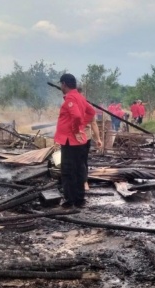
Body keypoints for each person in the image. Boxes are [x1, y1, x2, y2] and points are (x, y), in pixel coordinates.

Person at [54, 73, 90, 208]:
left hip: (70, 140)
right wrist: (81, 127)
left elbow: (76, 116)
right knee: (79, 168)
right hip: (80, 141)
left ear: (64, 84)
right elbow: (91, 112)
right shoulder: (80, 97)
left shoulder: (70, 98)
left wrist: (76, 130)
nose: (60, 87)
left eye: (61, 84)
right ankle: (80, 199)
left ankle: (70, 201)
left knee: (68, 170)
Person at [77, 85, 102, 191]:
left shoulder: (83, 106)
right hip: (81, 138)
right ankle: (82, 182)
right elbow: (94, 124)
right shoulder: (85, 105)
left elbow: (93, 123)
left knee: (80, 161)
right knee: (81, 161)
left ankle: (84, 182)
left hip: (82, 138)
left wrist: (98, 139)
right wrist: (98, 139)